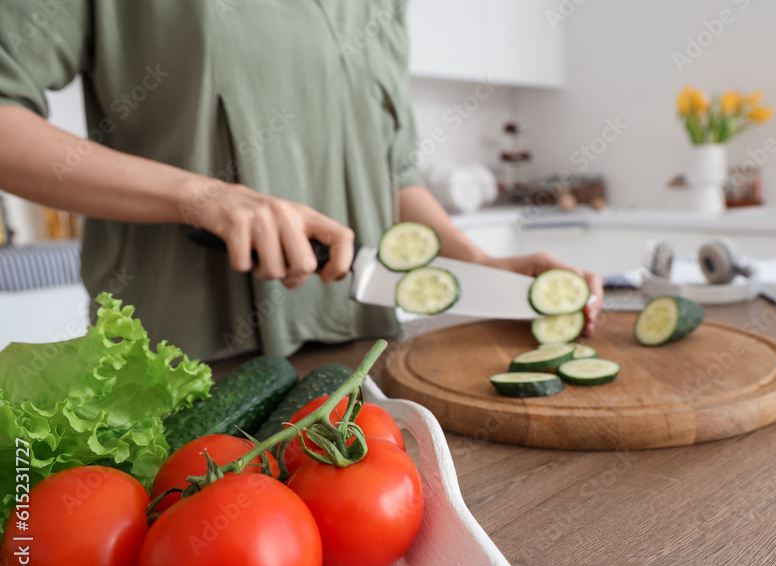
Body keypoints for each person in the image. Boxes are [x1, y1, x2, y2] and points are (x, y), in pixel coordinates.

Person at [0, 1, 602, 361]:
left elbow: (391, 169)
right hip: (192, 367)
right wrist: (204, 197)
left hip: (366, 354)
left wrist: (476, 264)